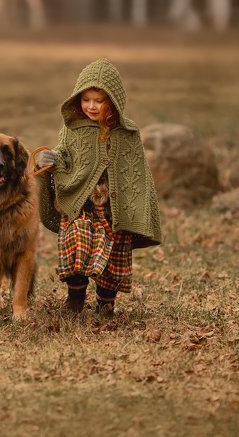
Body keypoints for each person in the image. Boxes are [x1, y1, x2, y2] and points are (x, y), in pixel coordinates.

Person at [37, 58, 161, 317]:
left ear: (113, 102)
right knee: (78, 241)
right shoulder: (73, 129)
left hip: (113, 210)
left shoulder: (127, 134)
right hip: (82, 206)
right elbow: (64, 155)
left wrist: (138, 210)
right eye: (86, 99)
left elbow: (139, 176)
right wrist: (49, 159)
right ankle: (75, 300)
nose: (91, 106)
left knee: (113, 258)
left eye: (98, 100)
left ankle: (106, 303)